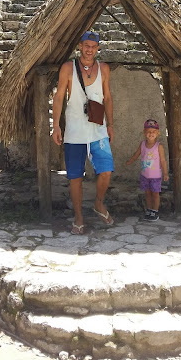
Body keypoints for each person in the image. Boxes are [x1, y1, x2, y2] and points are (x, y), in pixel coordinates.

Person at [52, 31, 114, 235]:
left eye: (93, 46)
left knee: (106, 170)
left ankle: (98, 203)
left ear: (97, 49)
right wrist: (56, 125)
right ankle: (78, 216)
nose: (89, 49)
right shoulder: (68, 68)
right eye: (86, 45)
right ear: (80, 46)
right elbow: (59, 96)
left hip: (98, 128)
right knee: (75, 176)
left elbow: (107, 98)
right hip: (75, 130)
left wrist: (110, 125)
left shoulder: (104, 69)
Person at [126, 119, 169, 221]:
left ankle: (155, 211)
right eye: (149, 131)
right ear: (144, 133)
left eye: (154, 132)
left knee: (155, 194)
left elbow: (163, 160)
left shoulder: (159, 146)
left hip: (155, 176)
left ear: (157, 133)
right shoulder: (142, 145)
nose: (151, 134)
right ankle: (149, 209)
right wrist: (130, 161)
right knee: (147, 193)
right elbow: (137, 154)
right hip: (145, 175)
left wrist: (165, 173)